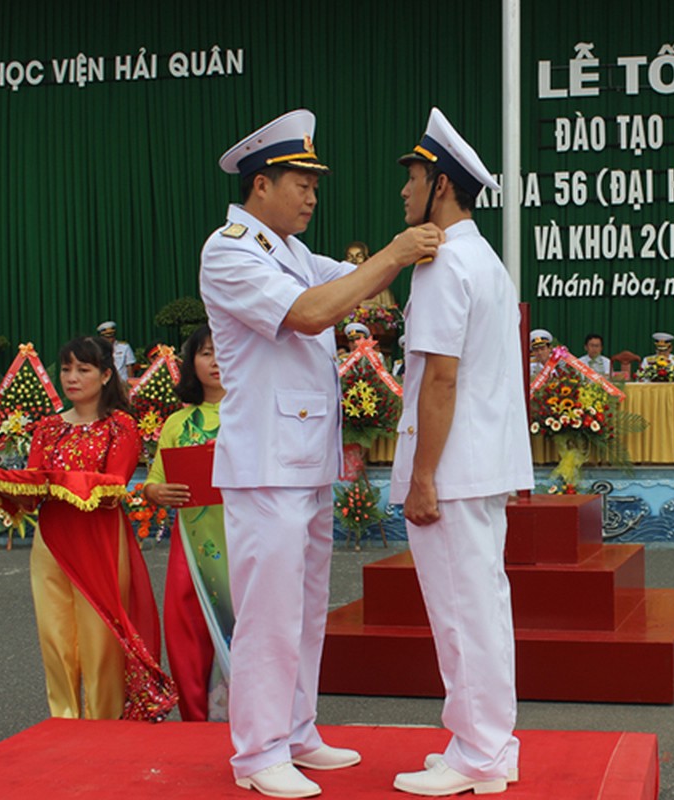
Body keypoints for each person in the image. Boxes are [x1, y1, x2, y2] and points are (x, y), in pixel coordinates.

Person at [199, 109, 441, 799]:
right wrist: (395, 253)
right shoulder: (232, 249)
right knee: (268, 615)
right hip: (266, 461)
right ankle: (257, 753)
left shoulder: (290, 251)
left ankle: (297, 731)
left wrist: (420, 249)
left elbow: (357, 282)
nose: (311, 195)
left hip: (304, 459)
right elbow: (310, 313)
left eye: (314, 183)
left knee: (304, 609)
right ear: (260, 184)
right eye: (299, 181)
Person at [390, 107, 534, 797]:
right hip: (477, 463)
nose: (404, 191)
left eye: (413, 178)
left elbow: (440, 377)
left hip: (450, 470)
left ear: (440, 185)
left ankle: (478, 757)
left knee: (461, 610)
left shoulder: (443, 262)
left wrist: (422, 478)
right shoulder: (484, 259)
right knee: (479, 605)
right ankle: (485, 746)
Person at [26, 336, 174, 721]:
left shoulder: (120, 426)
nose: (72, 378)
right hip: (51, 541)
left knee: (101, 639)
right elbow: (31, 483)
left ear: (107, 375)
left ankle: (104, 726)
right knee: (54, 636)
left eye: (83, 369)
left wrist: (57, 482)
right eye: (66, 369)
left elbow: (114, 483)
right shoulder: (46, 428)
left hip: (101, 539)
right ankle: (63, 721)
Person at [143, 324, 232, 722]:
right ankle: (196, 721)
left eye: (224, 351)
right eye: (206, 353)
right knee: (187, 630)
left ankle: (252, 720)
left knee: (248, 626)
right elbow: (154, 481)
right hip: (193, 543)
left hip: (246, 538)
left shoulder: (256, 413)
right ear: (191, 362)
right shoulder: (179, 422)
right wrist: (155, 493)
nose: (216, 362)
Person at [348, 241, 398, 309]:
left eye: (359, 256)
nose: (354, 260)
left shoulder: (381, 290)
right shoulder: (340, 289)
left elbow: (391, 313)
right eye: (350, 256)